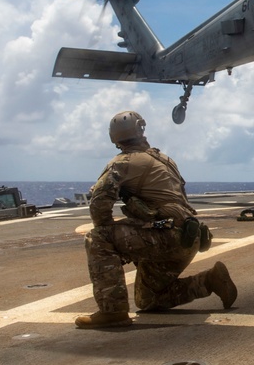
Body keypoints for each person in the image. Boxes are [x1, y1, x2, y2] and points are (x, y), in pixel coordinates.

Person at [76, 110, 238, 329]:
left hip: (166, 235)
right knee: (148, 299)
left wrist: (114, 243)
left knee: (97, 238)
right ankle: (208, 281)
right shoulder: (164, 159)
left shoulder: (122, 163)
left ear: (114, 138)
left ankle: (112, 312)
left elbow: (98, 206)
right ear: (141, 129)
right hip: (188, 238)